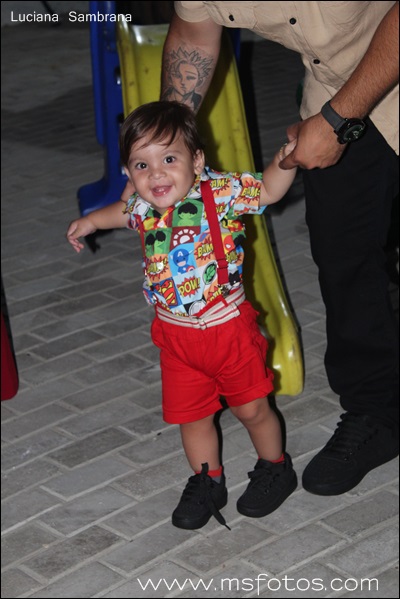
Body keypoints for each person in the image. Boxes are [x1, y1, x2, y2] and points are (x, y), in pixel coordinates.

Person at [157, 2, 400, 497]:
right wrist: (165, 150)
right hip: (335, 88)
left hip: (361, 87)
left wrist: (339, 120)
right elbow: (193, 35)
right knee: (345, 254)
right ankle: (378, 410)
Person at [67, 100, 298, 530]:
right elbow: (120, 213)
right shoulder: (141, 206)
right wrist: (91, 222)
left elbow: (267, 191)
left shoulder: (219, 193)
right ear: (129, 173)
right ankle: (208, 478)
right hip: (176, 341)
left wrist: (285, 162)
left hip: (227, 331)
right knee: (191, 418)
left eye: (169, 159)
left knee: (252, 410)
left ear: (197, 160)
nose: (156, 174)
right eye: (142, 165)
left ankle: (275, 466)